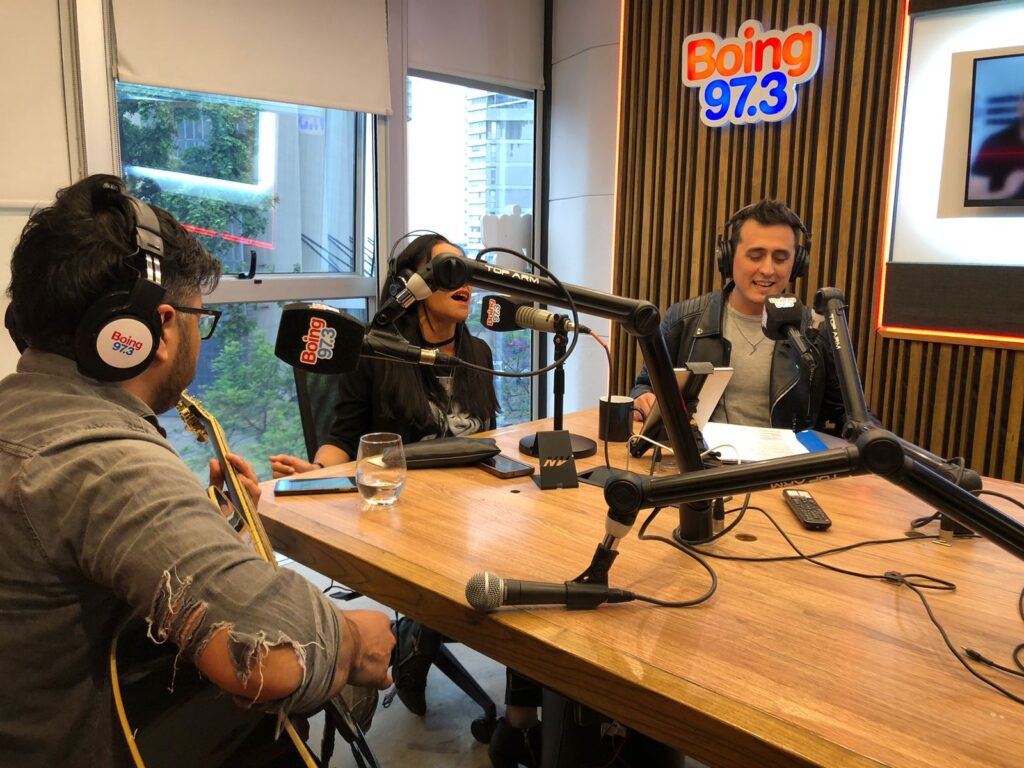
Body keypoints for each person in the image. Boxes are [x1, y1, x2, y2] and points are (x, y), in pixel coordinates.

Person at [0, 175, 395, 767]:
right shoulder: (100, 459)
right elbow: (271, 658)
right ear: (153, 328)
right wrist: (358, 638)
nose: (198, 335)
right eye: (198, 317)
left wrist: (215, 530)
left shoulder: (21, 418)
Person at [269, 233, 501, 721]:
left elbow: (485, 436)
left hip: (471, 510)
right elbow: (343, 437)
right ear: (413, 285)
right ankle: (418, 638)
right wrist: (319, 471)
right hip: (404, 516)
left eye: (468, 273)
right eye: (449, 271)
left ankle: (426, 641)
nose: (465, 284)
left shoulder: (477, 352)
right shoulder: (376, 352)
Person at [631, 198, 846, 435]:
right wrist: (643, 398)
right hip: (700, 457)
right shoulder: (683, 321)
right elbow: (644, 386)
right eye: (755, 256)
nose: (767, 269)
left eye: (780, 258)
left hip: (789, 459)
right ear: (728, 256)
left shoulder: (816, 331)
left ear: (797, 264)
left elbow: (848, 414)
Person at [968, 92, 1024, 201]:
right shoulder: (993, 144)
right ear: (1019, 107)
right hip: (1005, 211)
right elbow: (973, 195)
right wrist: (1006, 192)